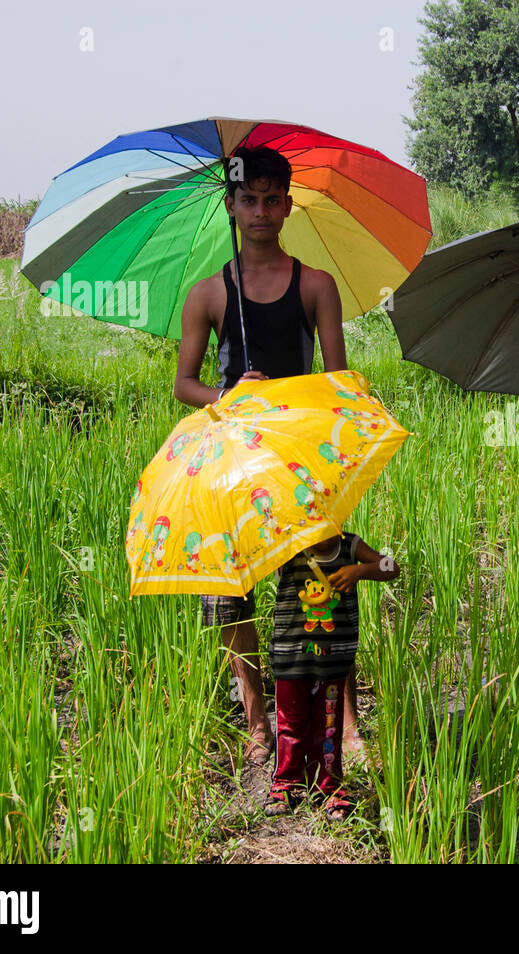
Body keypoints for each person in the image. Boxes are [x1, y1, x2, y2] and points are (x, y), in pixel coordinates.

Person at [173, 144, 350, 769]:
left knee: (320, 583)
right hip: (228, 456)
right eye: (248, 199)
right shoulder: (209, 295)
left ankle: (336, 715)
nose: (261, 211)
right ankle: (255, 714)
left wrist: (284, 403)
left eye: (273, 199)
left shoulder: (316, 285)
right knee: (229, 592)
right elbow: (184, 384)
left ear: (288, 204)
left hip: (299, 455)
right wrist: (231, 394)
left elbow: (338, 382)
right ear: (231, 204)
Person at [265, 532, 399, 818]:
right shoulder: (288, 547)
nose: (321, 532)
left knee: (329, 726)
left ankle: (328, 785)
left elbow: (391, 567)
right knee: (290, 724)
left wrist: (360, 570)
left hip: (334, 657)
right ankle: (285, 782)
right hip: (292, 656)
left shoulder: (350, 546)